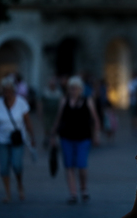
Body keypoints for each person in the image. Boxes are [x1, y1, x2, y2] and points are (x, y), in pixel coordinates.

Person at [50, 76, 100, 204]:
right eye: (71, 88)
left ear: (81, 89)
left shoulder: (87, 100)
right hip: (66, 137)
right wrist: (52, 135)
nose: (73, 91)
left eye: (76, 88)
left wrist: (96, 135)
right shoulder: (64, 101)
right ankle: (73, 193)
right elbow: (58, 118)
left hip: (83, 137)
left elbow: (95, 119)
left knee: (81, 164)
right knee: (69, 165)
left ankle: (83, 188)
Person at [0, 76, 35, 203]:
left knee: (17, 165)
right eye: (4, 90)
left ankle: (20, 184)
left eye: (9, 90)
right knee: (3, 168)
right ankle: (8, 193)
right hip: (2, 140)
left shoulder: (21, 102)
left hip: (17, 140)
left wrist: (32, 137)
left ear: (13, 90)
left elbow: (27, 121)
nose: (7, 93)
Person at [39, 77, 62, 148]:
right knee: (47, 126)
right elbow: (40, 102)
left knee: (55, 126)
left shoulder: (59, 92)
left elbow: (61, 102)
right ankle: (47, 138)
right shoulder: (45, 92)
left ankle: (54, 140)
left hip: (56, 113)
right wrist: (40, 111)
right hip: (47, 112)